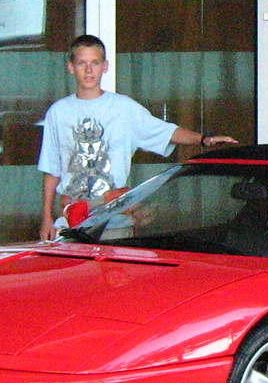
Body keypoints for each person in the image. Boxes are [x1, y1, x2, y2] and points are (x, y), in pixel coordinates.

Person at [38, 34, 235, 241]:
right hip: (71, 221)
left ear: (105, 66)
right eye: (82, 63)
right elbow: (51, 168)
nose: (89, 70)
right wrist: (46, 218)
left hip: (115, 220)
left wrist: (203, 139)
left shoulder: (124, 108)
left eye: (95, 63)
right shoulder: (58, 112)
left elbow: (164, 131)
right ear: (71, 67)